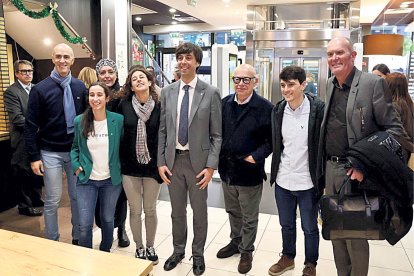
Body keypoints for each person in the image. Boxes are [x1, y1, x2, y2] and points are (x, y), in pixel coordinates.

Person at [317, 37, 412, 276]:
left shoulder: (371, 84)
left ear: (353, 56)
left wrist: (365, 165)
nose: (334, 58)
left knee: (355, 234)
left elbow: (394, 131)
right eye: (330, 54)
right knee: (335, 230)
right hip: (331, 169)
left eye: (340, 52)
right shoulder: (330, 84)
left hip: (356, 173)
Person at [158, 42, 222, 276]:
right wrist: (161, 162)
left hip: (198, 164)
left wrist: (211, 166)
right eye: (180, 58)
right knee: (176, 212)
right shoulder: (167, 92)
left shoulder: (211, 92)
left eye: (188, 58)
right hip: (173, 162)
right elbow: (163, 131)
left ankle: (198, 254)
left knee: (199, 211)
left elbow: (217, 134)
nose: (183, 62)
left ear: (197, 62)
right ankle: (178, 251)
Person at [25, 43, 87, 243]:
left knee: (77, 197)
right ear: (52, 59)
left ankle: (78, 238)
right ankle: (52, 240)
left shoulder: (79, 87)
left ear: (72, 60)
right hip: (49, 151)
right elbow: (30, 125)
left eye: (66, 57)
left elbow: (87, 120)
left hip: (74, 152)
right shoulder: (40, 89)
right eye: (58, 56)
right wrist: (34, 157)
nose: (62, 60)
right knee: (52, 199)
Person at [268, 66, 324, 276]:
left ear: (303, 84)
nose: (286, 90)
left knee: (310, 227)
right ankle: (288, 257)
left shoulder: (317, 109)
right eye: (283, 85)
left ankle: (310, 263)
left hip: (308, 182)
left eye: (291, 85)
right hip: (283, 179)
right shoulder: (278, 110)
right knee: (286, 224)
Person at [217, 64, 272, 274]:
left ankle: (247, 250)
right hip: (227, 170)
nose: (240, 83)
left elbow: (272, 141)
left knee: (249, 215)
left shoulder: (265, 107)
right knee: (233, 211)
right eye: (236, 79)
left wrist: (255, 157)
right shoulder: (224, 104)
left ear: (255, 82)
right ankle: (236, 241)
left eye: (245, 80)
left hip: (249, 171)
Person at [70, 82, 123, 252]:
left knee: (107, 219)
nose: (95, 98)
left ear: (107, 98)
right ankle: (87, 256)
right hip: (87, 180)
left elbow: (124, 146)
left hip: (111, 180)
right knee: (85, 225)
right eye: (92, 95)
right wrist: (77, 166)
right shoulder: (80, 121)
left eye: (99, 95)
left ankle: (105, 252)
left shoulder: (117, 120)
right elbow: (75, 148)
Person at [119, 66, 162, 264]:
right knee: (135, 210)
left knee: (150, 209)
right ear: (131, 86)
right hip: (129, 167)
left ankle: (151, 245)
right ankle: (139, 247)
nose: (138, 80)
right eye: (134, 78)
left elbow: (165, 136)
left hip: (154, 167)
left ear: (150, 82)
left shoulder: (160, 105)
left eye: (142, 77)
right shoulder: (123, 105)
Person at [95, 58, 130, 247]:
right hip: (98, 154)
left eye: (110, 72)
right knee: (101, 195)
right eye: (103, 72)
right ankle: (104, 230)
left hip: (119, 153)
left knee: (120, 194)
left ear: (116, 74)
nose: (107, 75)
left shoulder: (124, 96)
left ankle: (122, 229)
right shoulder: (93, 95)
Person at [4, 60, 44, 217]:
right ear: (17, 73)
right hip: (21, 140)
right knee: (23, 173)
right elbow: (17, 119)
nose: (28, 74)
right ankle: (24, 206)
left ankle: (36, 199)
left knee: (36, 171)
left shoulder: (36, 89)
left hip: (37, 139)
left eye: (30, 71)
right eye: (24, 71)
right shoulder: (11, 92)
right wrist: (39, 127)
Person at [385, 72, 414, 160]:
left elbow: (398, 131)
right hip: (406, 149)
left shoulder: (393, 105)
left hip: (397, 148)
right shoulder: (409, 103)